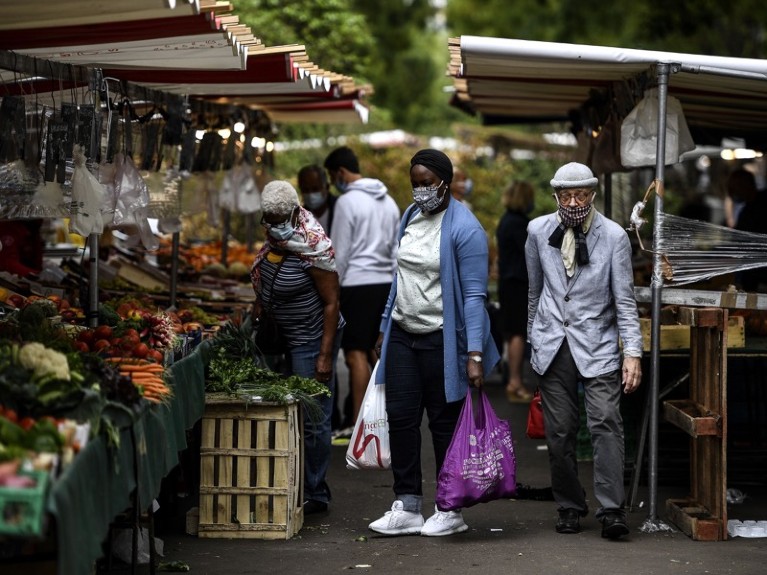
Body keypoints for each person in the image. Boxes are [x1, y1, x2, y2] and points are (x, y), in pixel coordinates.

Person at [368, 149, 500, 537]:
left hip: (443, 338)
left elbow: (475, 297)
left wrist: (473, 354)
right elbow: (400, 276)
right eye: (416, 184)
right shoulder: (410, 217)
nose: (421, 191)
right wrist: (383, 324)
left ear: (445, 180)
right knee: (402, 418)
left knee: (443, 424)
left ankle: (449, 508)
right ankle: (407, 504)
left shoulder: (466, 228)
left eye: (428, 183)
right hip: (403, 335)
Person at [525, 162, 642, 540]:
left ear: (592, 194)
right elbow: (534, 292)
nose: (573, 202)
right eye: (565, 196)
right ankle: (570, 505)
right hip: (552, 344)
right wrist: (533, 342)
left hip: (599, 345)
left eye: (580, 195)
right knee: (559, 433)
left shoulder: (613, 237)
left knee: (606, 424)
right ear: (555, 195)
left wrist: (633, 353)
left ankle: (611, 509)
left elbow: (625, 300)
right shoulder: (537, 231)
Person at [250, 180, 345, 515]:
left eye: (279, 217)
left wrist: (324, 356)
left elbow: (332, 304)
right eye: (269, 218)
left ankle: (315, 491)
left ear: (293, 212)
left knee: (314, 417)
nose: (274, 224)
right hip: (283, 338)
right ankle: (288, 483)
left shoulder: (312, 244)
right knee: (285, 413)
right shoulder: (276, 238)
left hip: (311, 339)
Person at [323, 146, 400, 431]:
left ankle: (359, 425)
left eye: (332, 177)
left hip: (356, 283)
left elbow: (339, 252)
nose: (333, 184)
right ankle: (385, 420)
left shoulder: (347, 202)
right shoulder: (389, 201)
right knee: (375, 352)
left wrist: (332, 289)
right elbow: (396, 247)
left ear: (340, 172)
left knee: (355, 355)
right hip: (386, 283)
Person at [495, 180, 535, 403]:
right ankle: (515, 382)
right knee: (518, 332)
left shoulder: (506, 221)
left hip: (508, 283)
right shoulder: (519, 224)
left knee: (512, 333)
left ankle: (514, 380)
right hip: (517, 284)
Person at [298, 164, 337, 236]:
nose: (310, 194)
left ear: (327, 187)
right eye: (305, 190)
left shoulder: (339, 209)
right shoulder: (299, 218)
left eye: (315, 189)